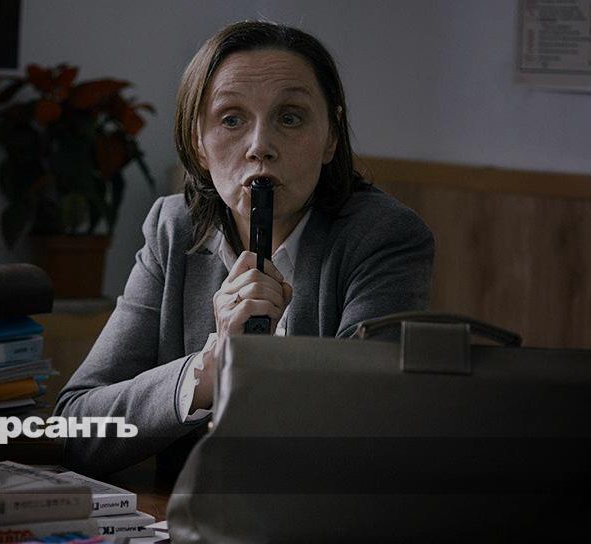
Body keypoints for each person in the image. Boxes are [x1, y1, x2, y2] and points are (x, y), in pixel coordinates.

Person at [54, 21, 435, 478]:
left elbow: (369, 433)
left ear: (331, 136)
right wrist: (209, 369)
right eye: (231, 119)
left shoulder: (383, 236)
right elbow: (74, 430)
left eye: (290, 117)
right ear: (197, 143)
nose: (260, 147)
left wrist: (266, 368)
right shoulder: (174, 228)